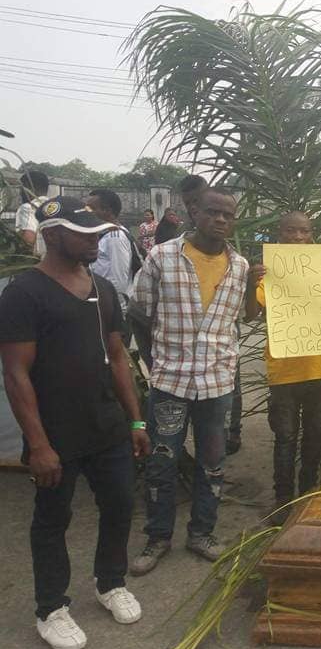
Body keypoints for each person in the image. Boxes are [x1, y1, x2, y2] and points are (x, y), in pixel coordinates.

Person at [0, 196, 151, 649]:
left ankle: (110, 582)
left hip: (106, 426)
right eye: (82, 233)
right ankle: (51, 608)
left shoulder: (102, 288)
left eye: (97, 233)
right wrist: (39, 444)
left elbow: (119, 356)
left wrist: (136, 420)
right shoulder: (24, 293)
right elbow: (16, 373)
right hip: (56, 432)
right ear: (51, 234)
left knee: (121, 505)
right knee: (52, 520)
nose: (94, 239)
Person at [129, 188, 251, 574]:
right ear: (194, 212)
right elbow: (139, 314)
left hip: (217, 384)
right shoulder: (162, 257)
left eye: (227, 215)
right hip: (171, 382)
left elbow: (240, 319)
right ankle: (158, 537)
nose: (220, 220)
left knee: (213, 464)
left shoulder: (240, 266)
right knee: (162, 462)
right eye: (213, 212)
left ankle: (202, 533)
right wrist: (156, 362)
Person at [245, 212, 321, 517]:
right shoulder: (271, 271)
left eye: (304, 231)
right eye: (291, 231)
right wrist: (250, 283)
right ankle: (282, 500)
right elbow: (250, 314)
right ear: (280, 233)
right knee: (285, 437)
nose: (298, 237)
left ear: (312, 234)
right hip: (284, 368)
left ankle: (307, 495)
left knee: (317, 433)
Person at [86, 189, 138, 317]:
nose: (87, 212)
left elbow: (119, 279)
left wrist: (115, 312)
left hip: (112, 310)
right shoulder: (104, 234)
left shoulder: (115, 237)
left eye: (92, 208)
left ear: (107, 211)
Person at [15, 170, 50, 256]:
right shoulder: (52, 206)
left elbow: (28, 241)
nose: (20, 193)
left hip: (36, 262)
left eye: (21, 188)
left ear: (28, 188)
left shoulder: (28, 208)